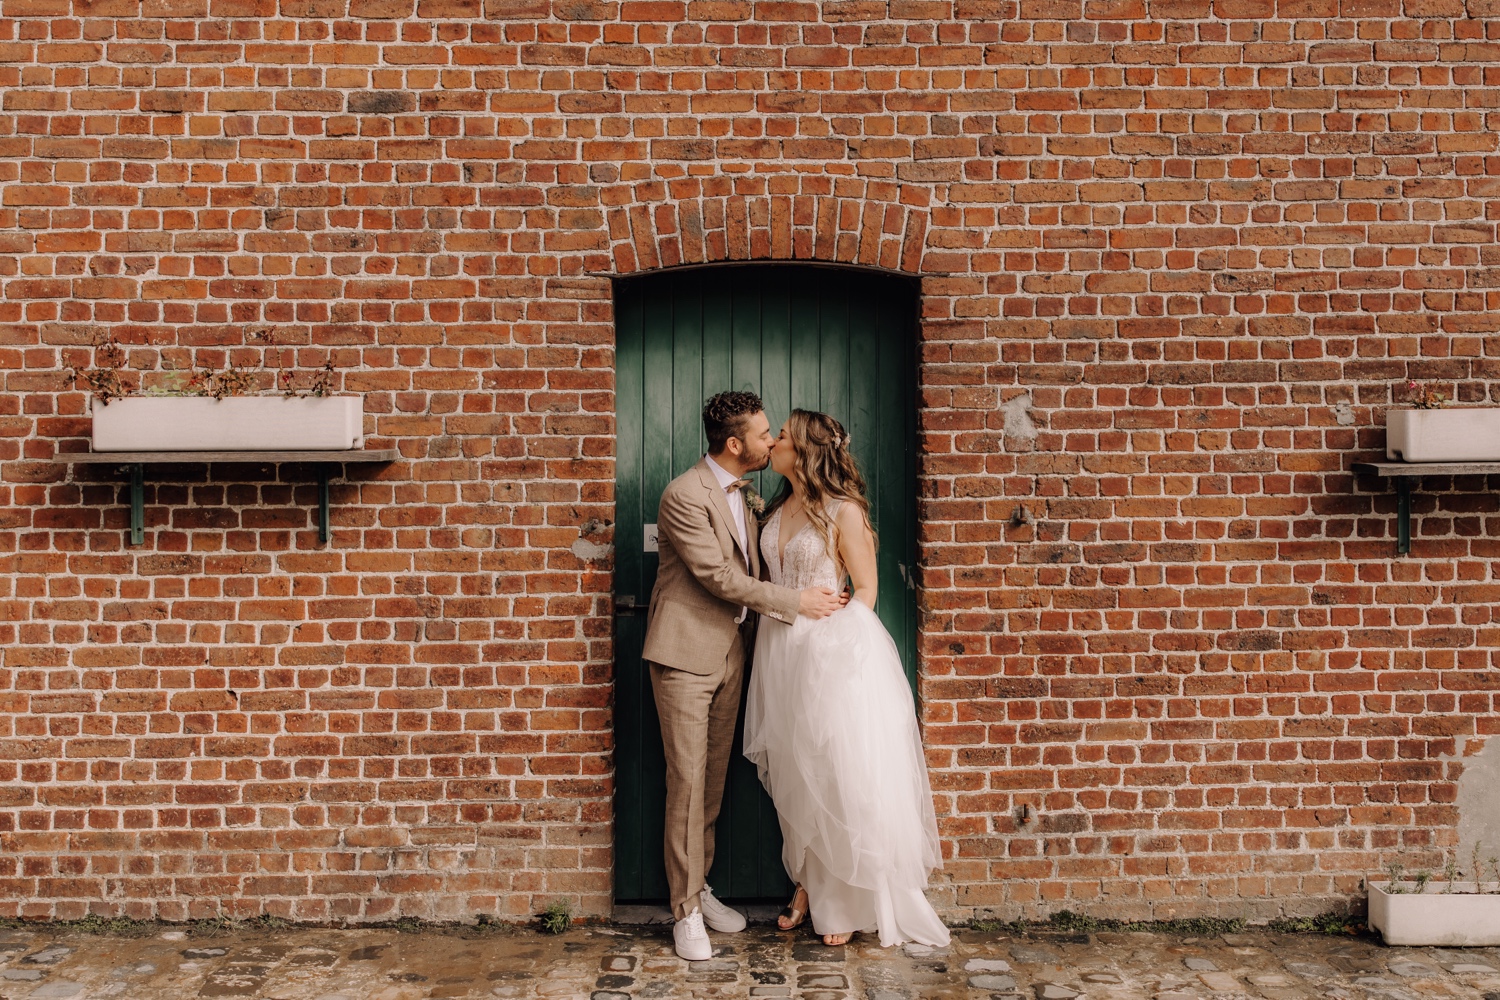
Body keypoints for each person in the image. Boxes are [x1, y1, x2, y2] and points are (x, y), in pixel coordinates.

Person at [642, 390, 846, 961]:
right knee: (685, 784)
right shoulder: (684, 495)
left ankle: (697, 887)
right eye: (762, 435)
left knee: (709, 786)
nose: (771, 441)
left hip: (735, 654)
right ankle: (684, 914)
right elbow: (718, 578)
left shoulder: (749, 496)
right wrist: (795, 602)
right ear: (734, 444)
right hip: (684, 654)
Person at [743, 408, 950, 949]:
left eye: (782, 435)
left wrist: (833, 647)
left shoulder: (844, 511)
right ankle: (807, 885)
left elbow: (865, 590)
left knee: (835, 774)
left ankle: (842, 900)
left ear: (806, 450)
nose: (774, 442)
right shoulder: (776, 508)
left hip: (829, 654)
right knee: (795, 771)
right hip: (778, 652)